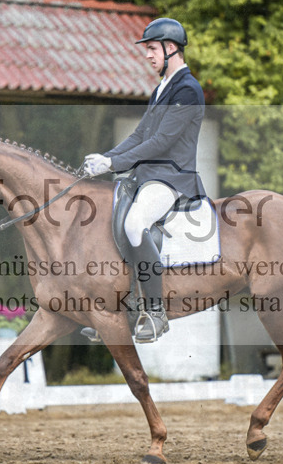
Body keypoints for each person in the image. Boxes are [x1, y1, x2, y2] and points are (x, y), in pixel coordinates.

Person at [83, 17, 207, 341]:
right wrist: (104, 157)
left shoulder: (188, 90)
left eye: (152, 49)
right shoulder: (162, 88)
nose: (148, 55)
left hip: (172, 178)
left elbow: (161, 143)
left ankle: (155, 312)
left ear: (170, 48)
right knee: (111, 220)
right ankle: (124, 308)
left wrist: (113, 163)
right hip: (148, 175)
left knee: (134, 223)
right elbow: (140, 135)